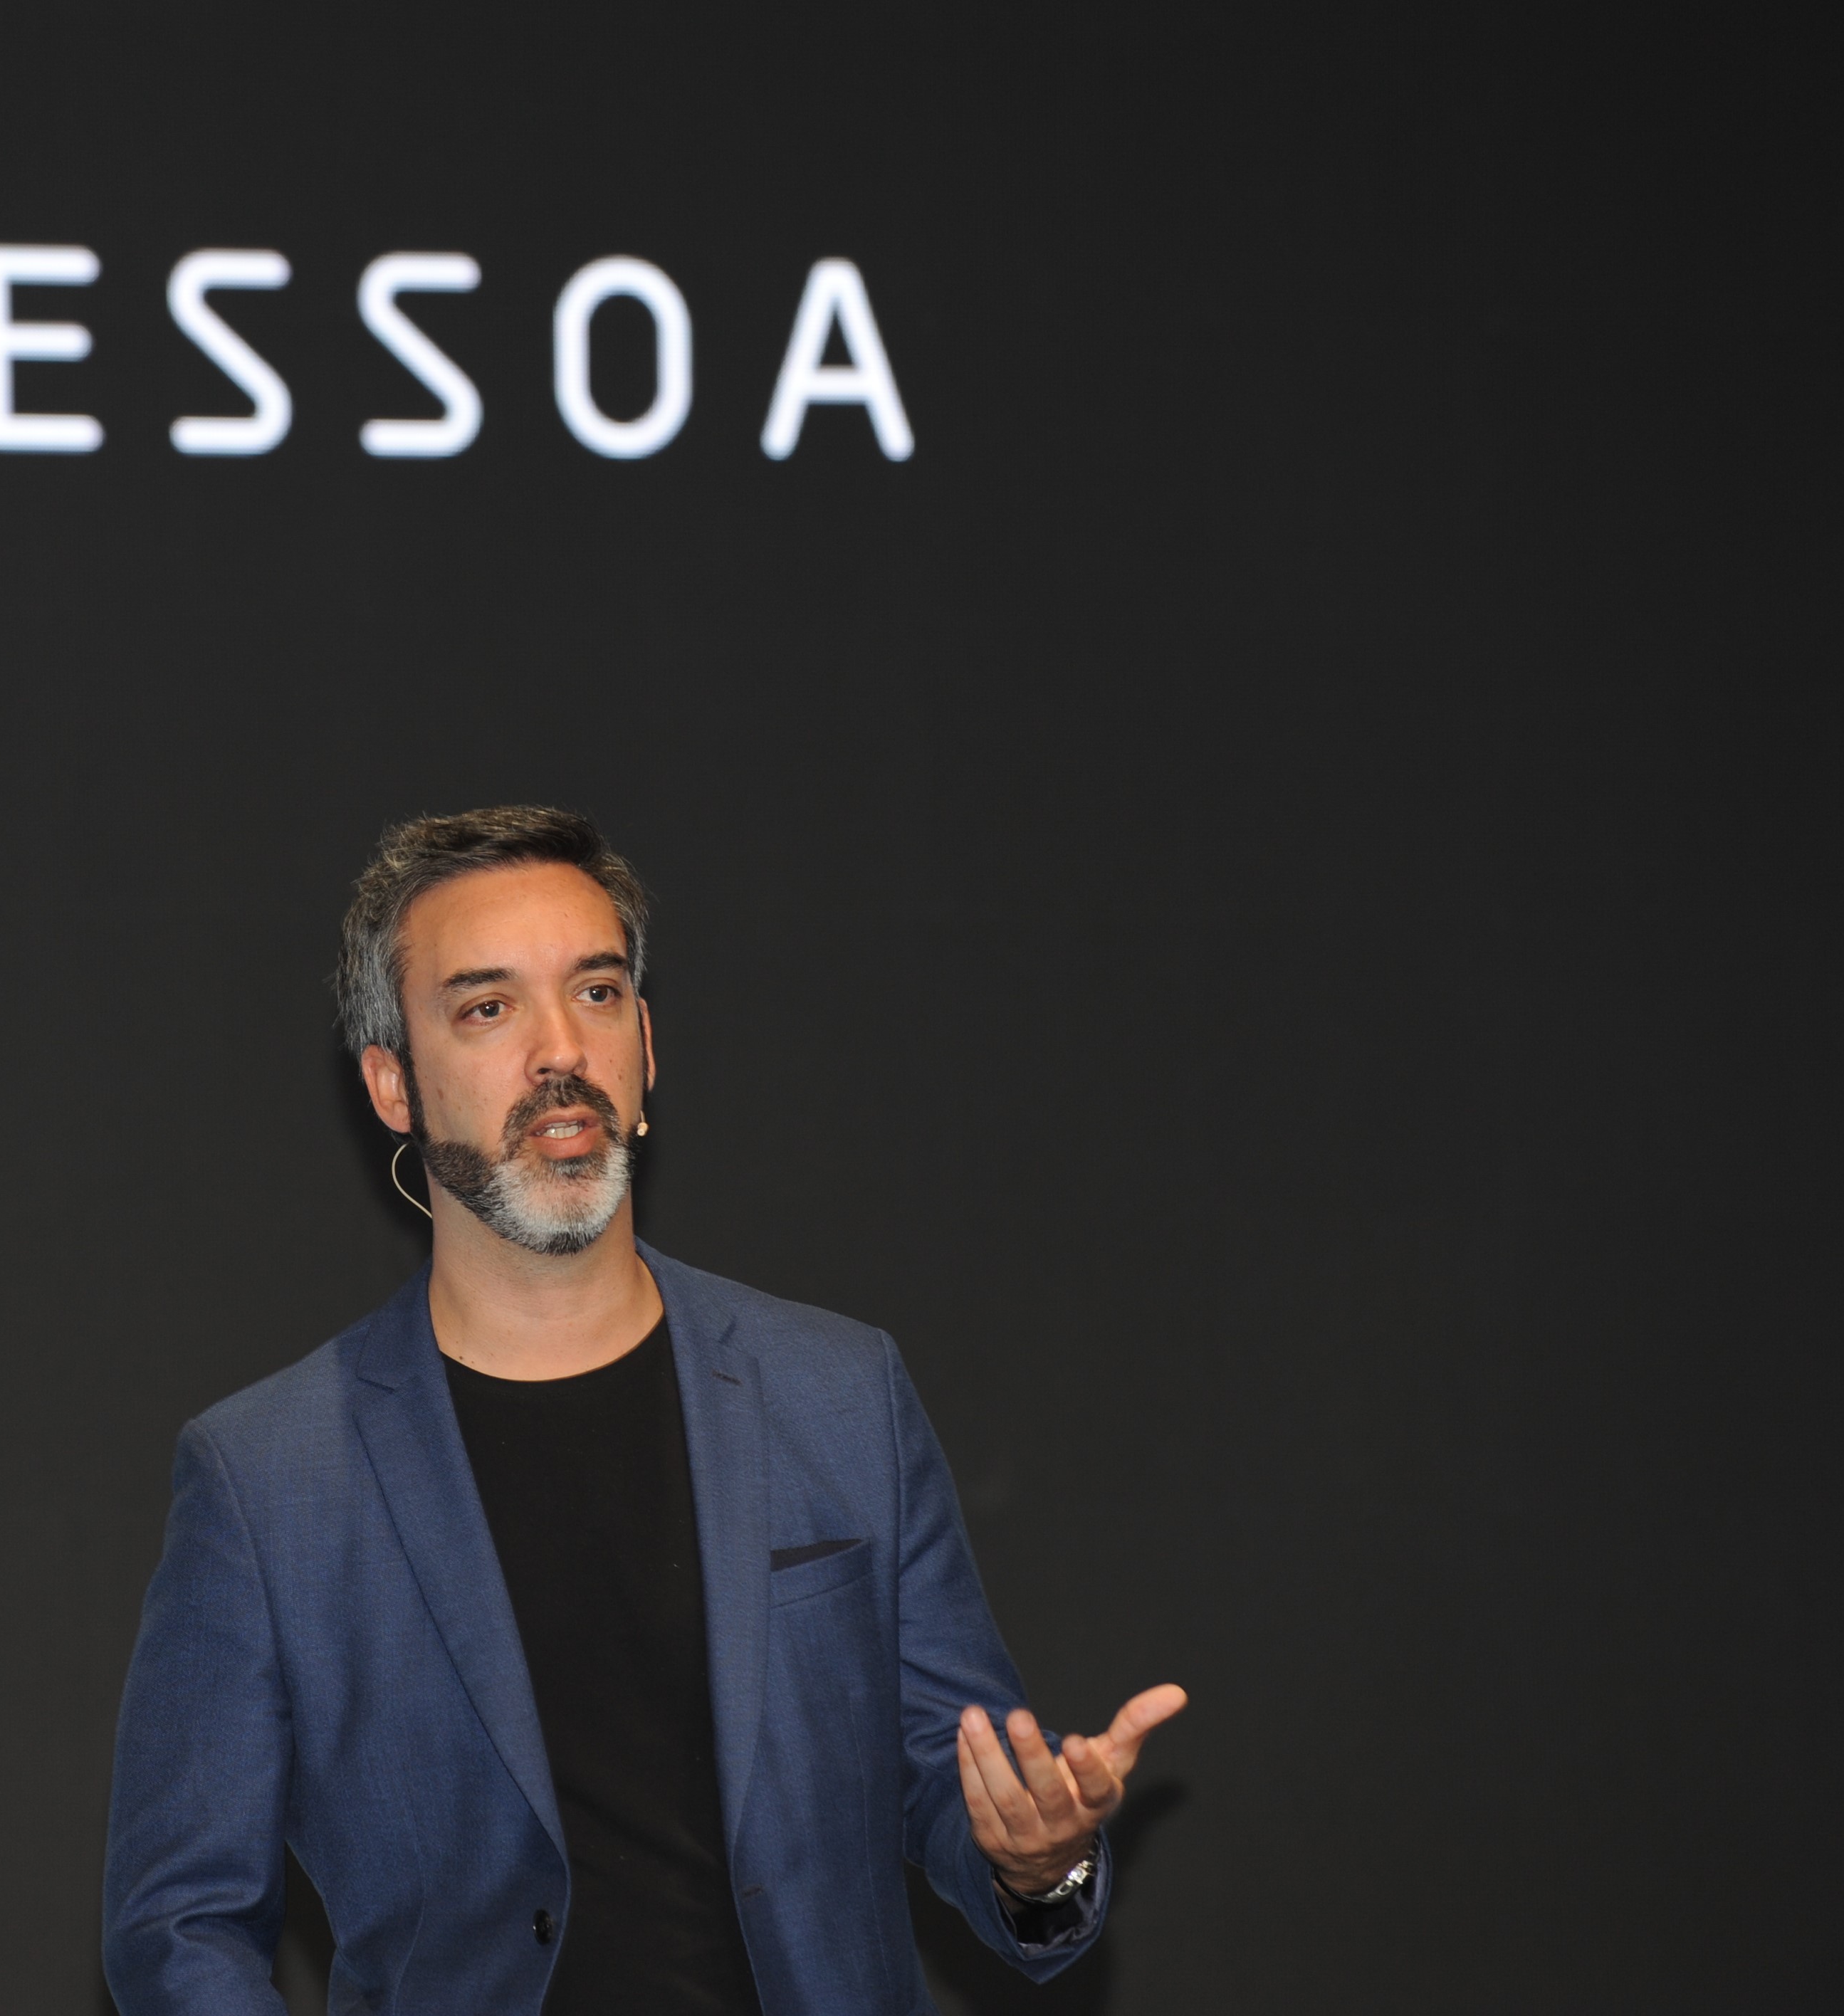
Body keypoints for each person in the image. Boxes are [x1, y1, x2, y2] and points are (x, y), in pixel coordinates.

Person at [103, 805, 1185, 2015]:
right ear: (393, 1084)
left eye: (598, 992)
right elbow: (178, 1924)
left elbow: (955, 1777)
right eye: (488, 1008)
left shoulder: (840, 1392)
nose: (560, 1049)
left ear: (648, 1043)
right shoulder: (268, 1479)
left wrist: (1038, 1861)